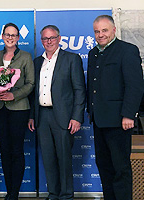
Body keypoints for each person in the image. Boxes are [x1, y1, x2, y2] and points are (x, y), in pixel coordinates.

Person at [87, 15, 143, 200]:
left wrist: (128, 114)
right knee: (104, 166)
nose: (100, 34)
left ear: (113, 30)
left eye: (104, 30)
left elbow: (135, 86)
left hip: (120, 121)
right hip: (99, 120)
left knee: (121, 169)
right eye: (97, 31)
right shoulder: (93, 53)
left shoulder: (127, 50)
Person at [28, 25, 86, 200]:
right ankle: (53, 194)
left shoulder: (71, 59)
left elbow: (79, 90)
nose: (49, 42)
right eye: (45, 39)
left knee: (64, 158)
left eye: (52, 38)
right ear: (41, 41)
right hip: (42, 116)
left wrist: (77, 117)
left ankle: (66, 195)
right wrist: (32, 115)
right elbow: (33, 92)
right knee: (48, 159)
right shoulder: (37, 62)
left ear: (59, 39)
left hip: (63, 117)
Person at [0, 23, 34, 200]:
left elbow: (31, 83)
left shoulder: (25, 57)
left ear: (18, 38)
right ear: (2, 36)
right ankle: (9, 191)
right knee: (4, 150)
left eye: (14, 35)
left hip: (18, 110)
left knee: (16, 150)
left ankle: (14, 193)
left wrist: (13, 95)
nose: (10, 38)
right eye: (7, 34)